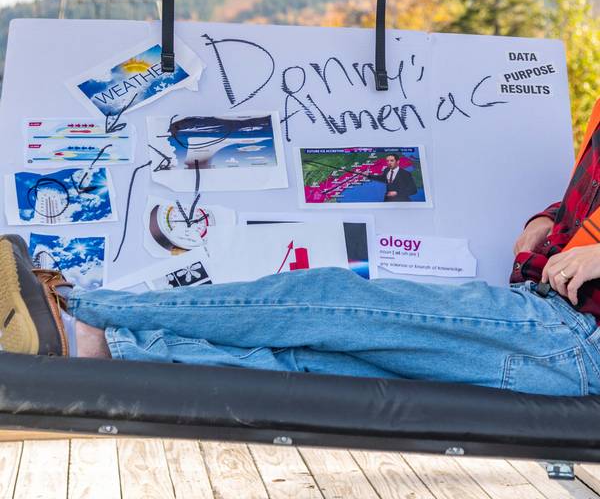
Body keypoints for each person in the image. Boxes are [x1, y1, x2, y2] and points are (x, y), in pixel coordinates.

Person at [1, 99, 599, 397]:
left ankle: (88, 313)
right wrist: (552, 217)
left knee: (326, 300)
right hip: (560, 325)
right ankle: (105, 353)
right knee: (312, 366)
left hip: (575, 332)